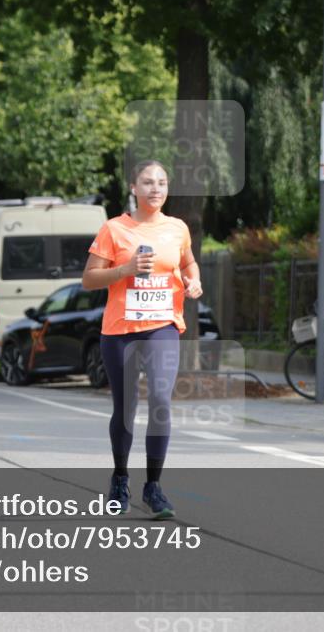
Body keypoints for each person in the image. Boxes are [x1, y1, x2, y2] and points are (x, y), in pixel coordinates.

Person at [81, 160, 203, 519]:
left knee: (161, 401)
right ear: (133, 188)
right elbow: (89, 279)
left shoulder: (178, 229)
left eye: (162, 182)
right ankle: (120, 478)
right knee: (126, 408)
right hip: (120, 332)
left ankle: (154, 487)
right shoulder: (114, 229)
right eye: (147, 182)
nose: (155, 189)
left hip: (162, 326)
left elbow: (189, 264)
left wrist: (194, 280)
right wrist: (126, 270)